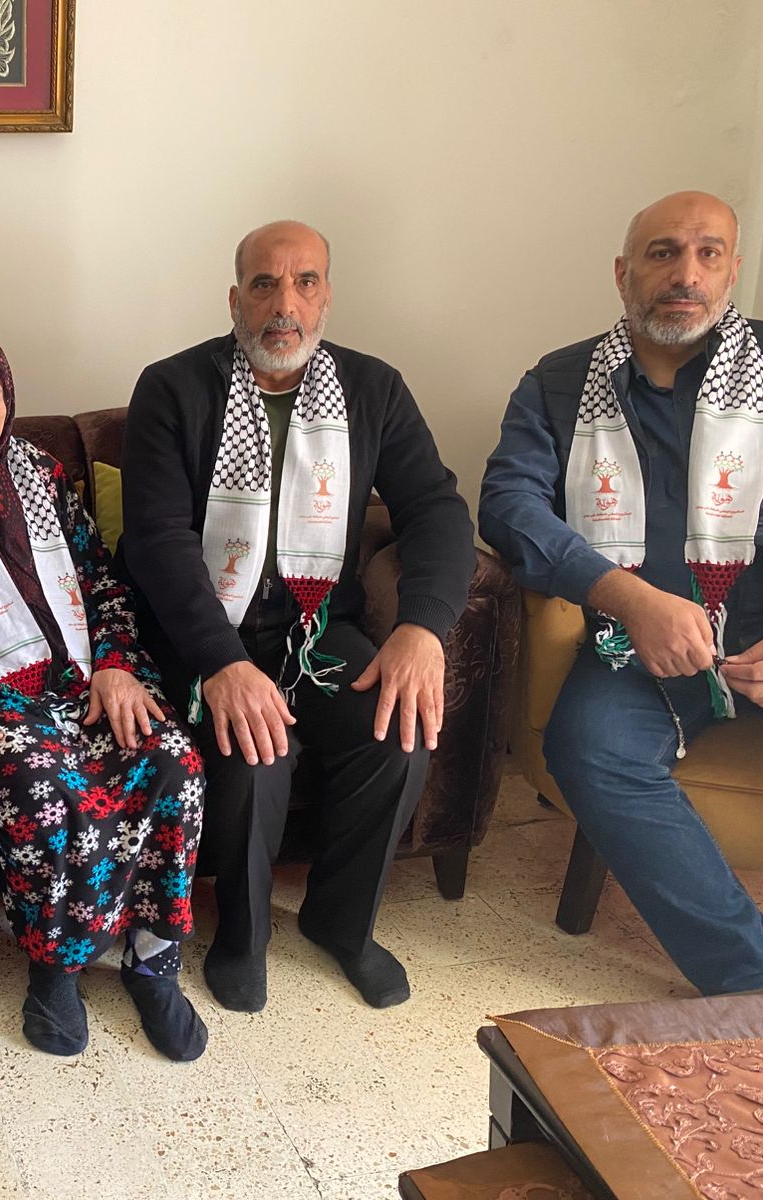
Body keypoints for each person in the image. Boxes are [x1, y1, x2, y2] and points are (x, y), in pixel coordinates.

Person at [118, 221, 475, 1013]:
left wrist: (422, 627)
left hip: (316, 630)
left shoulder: (373, 388)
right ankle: (242, 937)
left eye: (305, 282)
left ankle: (341, 924)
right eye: (265, 284)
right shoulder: (172, 388)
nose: (286, 304)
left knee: (397, 733)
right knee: (255, 758)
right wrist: (221, 661)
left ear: (327, 296)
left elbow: (436, 509)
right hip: (203, 634)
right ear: (235, 299)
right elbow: (156, 539)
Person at [480, 190, 763, 995]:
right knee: (591, 747)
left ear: (733, 271)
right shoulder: (559, 382)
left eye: (708, 253)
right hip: (638, 645)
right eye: (663, 253)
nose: (686, 273)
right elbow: (507, 505)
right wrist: (628, 597)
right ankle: (757, 986)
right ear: (624, 273)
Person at [0, 330, 208, 1061]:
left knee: (172, 761)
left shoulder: (43, 473)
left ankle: (153, 959)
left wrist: (117, 664)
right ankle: (55, 970)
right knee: (42, 788)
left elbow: (102, 579)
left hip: (86, 679)